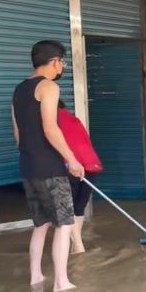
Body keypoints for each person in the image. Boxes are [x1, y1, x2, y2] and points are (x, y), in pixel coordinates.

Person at [12, 40, 84, 292]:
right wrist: (72, 159)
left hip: (28, 167)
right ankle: (61, 282)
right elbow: (50, 129)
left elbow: (18, 135)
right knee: (64, 224)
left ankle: (35, 275)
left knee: (40, 224)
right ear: (54, 61)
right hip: (50, 168)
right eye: (62, 61)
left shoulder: (19, 90)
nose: (62, 66)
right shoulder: (48, 87)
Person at [57, 100, 103, 255]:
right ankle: (76, 246)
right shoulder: (74, 119)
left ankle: (78, 245)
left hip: (72, 167)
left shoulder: (51, 121)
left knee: (67, 211)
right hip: (91, 165)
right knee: (79, 208)